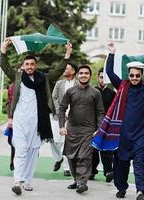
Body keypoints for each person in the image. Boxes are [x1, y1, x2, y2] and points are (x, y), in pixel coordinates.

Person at [92, 43, 144, 200]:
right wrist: (112, 54)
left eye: (137, 75)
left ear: (142, 75)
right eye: (132, 75)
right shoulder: (122, 86)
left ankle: (141, 191)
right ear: (128, 75)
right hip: (122, 135)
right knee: (121, 164)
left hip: (141, 135)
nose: (134, 78)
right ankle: (121, 188)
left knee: (141, 162)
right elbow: (109, 72)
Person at [0, 38, 71, 195]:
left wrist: (67, 55)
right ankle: (17, 181)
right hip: (20, 120)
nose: (30, 67)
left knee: (33, 151)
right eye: (27, 64)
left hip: (38, 121)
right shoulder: (17, 77)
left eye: (32, 64)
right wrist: (4, 49)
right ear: (23, 66)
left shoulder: (42, 78)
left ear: (35, 66)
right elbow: (4, 66)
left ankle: (28, 181)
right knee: (21, 149)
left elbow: (58, 71)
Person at [59, 65, 105, 194]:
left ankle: (82, 182)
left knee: (84, 156)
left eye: (86, 73)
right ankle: (76, 179)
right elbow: (62, 108)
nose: (84, 75)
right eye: (81, 73)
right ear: (78, 75)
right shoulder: (70, 91)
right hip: (72, 129)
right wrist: (62, 126)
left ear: (90, 76)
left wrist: (99, 128)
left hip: (88, 130)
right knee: (71, 157)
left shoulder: (95, 93)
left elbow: (100, 112)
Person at [51, 62, 78, 176]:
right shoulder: (59, 83)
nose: (64, 70)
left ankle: (66, 168)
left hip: (73, 117)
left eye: (66, 69)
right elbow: (54, 97)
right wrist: (60, 110)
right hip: (58, 116)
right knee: (54, 140)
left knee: (67, 142)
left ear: (73, 71)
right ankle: (58, 158)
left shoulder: (78, 83)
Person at [90, 68, 115, 182]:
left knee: (106, 150)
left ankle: (108, 172)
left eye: (105, 77)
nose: (103, 80)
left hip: (107, 126)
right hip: (92, 125)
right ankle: (92, 171)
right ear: (97, 78)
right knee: (93, 149)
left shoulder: (112, 94)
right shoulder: (92, 91)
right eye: (101, 77)